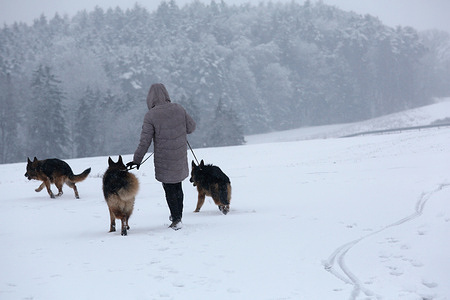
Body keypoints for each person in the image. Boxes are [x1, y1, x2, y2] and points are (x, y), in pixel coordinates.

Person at [127, 83, 196, 230]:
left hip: (164, 159)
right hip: (179, 155)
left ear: (150, 98)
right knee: (178, 186)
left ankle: (176, 219)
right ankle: (178, 216)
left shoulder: (151, 115)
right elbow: (191, 127)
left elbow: (145, 141)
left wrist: (136, 160)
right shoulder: (179, 108)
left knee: (169, 188)